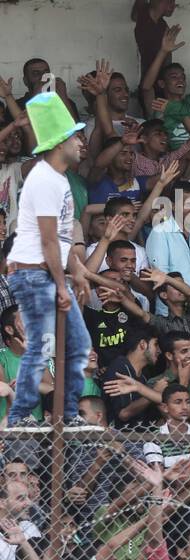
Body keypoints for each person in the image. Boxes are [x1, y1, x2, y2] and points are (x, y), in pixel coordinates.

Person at [5, 92, 93, 428]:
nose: (81, 143)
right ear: (59, 144)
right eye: (75, 137)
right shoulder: (44, 180)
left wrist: (78, 271)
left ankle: (65, 414)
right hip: (34, 274)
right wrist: (62, 283)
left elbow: (62, 239)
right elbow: (47, 240)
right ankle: (24, 415)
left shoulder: (58, 179)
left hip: (46, 272)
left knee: (74, 343)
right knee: (43, 347)